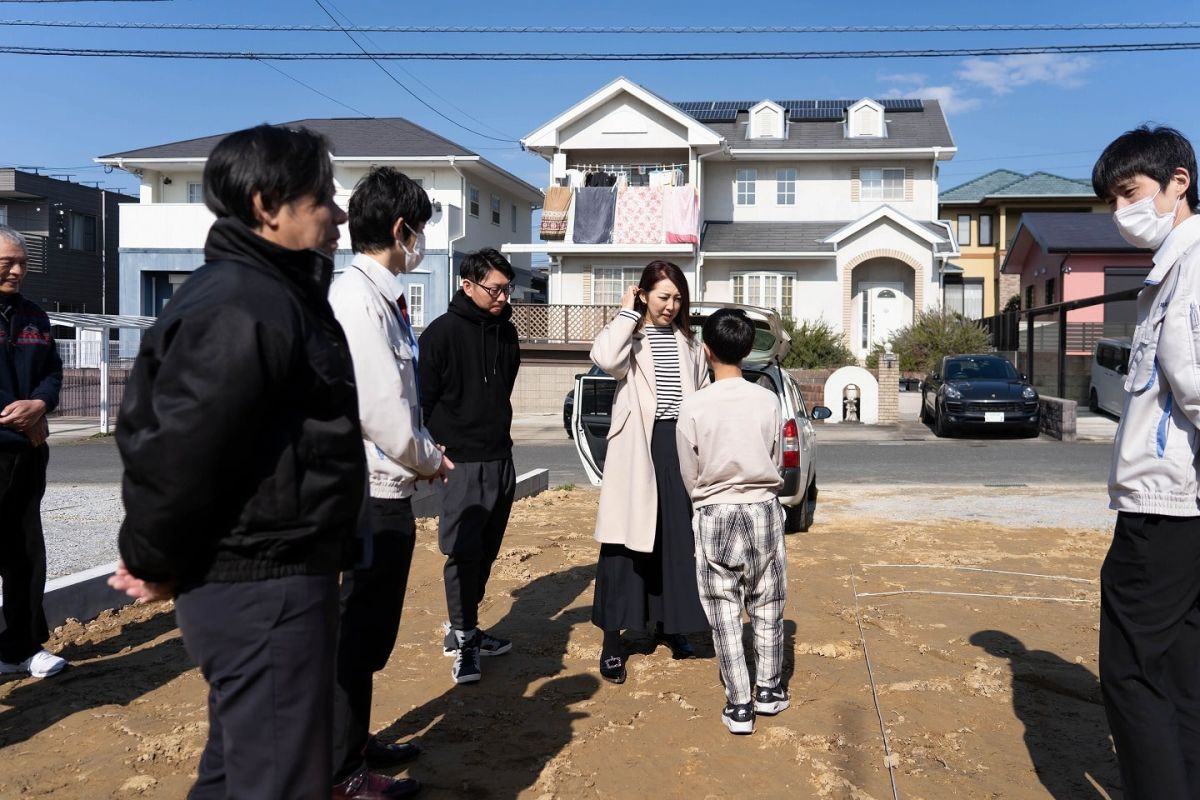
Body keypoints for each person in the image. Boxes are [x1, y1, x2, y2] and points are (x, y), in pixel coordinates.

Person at [108, 124, 363, 800]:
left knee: (239, 774)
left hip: (269, 577)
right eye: (325, 199)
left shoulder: (268, 295)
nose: (338, 215)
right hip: (260, 584)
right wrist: (154, 557)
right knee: (276, 782)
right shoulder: (242, 305)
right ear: (266, 205)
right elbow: (180, 450)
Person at [327, 167, 453, 798]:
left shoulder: (381, 297)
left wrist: (420, 453)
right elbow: (381, 409)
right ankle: (342, 771)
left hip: (386, 490)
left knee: (370, 629)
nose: (421, 244)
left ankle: (356, 740)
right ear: (402, 230)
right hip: (365, 495)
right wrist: (428, 457)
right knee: (355, 633)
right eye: (421, 231)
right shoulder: (356, 300)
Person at [1093, 124, 1200, 799]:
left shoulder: (1187, 271)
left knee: (1129, 673)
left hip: (1164, 508)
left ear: (1178, 183)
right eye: (1111, 200)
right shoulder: (1171, 271)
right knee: (1182, 672)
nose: (1120, 212)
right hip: (1180, 508)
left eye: (1129, 193)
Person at [589, 260, 709, 685]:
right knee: (625, 545)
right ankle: (611, 643)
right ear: (643, 295)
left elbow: (702, 399)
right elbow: (603, 358)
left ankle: (671, 627)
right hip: (637, 447)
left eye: (677, 298)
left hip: (678, 447)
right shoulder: (629, 337)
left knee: (677, 542)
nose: (671, 306)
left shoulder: (691, 344)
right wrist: (626, 313)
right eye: (663, 297)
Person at [675, 308, 786, 735]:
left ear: (705, 351)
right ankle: (770, 690)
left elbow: (689, 467)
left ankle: (739, 704)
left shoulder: (695, 405)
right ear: (747, 351)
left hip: (713, 509)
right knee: (768, 603)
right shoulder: (767, 399)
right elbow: (775, 456)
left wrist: (703, 499)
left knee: (722, 610)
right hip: (762, 507)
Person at [418, 248, 520, 685]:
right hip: (459, 463)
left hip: (500, 456)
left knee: (488, 551)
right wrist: (430, 453)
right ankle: (463, 641)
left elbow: (504, 386)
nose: (502, 296)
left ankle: (467, 627)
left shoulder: (507, 333)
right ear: (467, 285)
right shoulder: (439, 335)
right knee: (462, 553)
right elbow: (422, 401)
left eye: (506, 288)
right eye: (494, 288)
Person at [0, 225, 64, 680]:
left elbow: (53, 371)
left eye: (22, 263)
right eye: (8, 263)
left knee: (24, 550)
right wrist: (14, 415)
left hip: (27, 451)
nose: (18, 271)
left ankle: (20, 647)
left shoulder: (34, 317)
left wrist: (40, 405)